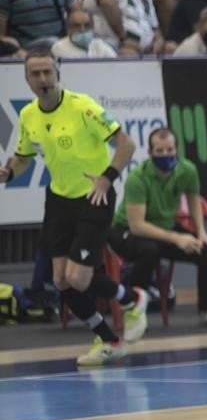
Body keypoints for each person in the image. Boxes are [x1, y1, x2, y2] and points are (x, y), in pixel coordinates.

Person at [1, 49, 146, 366]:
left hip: (94, 195)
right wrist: (10, 172)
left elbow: (126, 144)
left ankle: (133, 298)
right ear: (27, 80)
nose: (43, 79)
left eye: (47, 73)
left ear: (57, 74)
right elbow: (24, 157)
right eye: (36, 74)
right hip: (58, 199)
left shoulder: (82, 107)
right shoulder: (28, 116)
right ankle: (109, 338)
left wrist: (107, 178)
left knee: (79, 279)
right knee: (60, 280)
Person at [110, 128, 207, 326]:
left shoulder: (187, 170)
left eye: (169, 150)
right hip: (126, 231)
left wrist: (202, 233)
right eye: (159, 151)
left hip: (164, 229)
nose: (165, 155)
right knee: (149, 250)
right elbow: (137, 226)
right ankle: (134, 309)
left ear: (176, 150)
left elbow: (194, 203)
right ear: (150, 153)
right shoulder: (137, 178)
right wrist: (177, 238)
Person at [52, 7, 118, 58]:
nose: (82, 29)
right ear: (68, 28)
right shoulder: (59, 47)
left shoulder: (99, 44)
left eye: (87, 25)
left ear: (93, 28)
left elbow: (114, 64)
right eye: (76, 26)